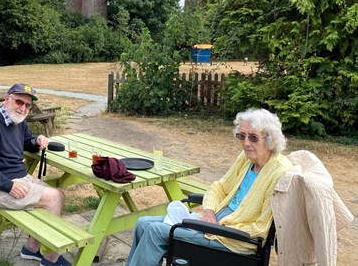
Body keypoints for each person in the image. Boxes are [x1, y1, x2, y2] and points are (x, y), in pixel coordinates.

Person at [125, 108, 293, 266]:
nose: (246, 143)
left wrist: (221, 228)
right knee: (142, 223)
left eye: (253, 138)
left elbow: (261, 228)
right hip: (214, 223)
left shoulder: (278, 172)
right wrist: (208, 213)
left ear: (270, 140)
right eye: (242, 136)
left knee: (155, 231)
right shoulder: (246, 158)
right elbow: (218, 188)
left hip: (233, 239)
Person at [0, 83, 69, 266]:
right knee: (54, 198)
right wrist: (8, 186)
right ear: (7, 99)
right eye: (19, 102)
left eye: (27, 105)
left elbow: (26, 142)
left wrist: (37, 141)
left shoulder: (18, 121)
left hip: (19, 179)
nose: (23, 108)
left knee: (60, 194)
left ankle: (31, 248)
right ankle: (50, 259)